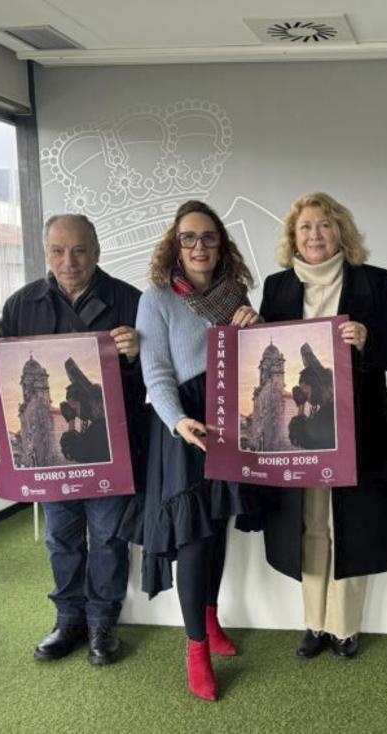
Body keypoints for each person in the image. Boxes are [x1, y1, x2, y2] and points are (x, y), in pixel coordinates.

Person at [0, 214, 148, 666]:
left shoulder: (131, 301)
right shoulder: (22, 304)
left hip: (112, 449)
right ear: (46, 254)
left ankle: (103, 624)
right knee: (61, 538)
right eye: (58, 251)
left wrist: (138, 353)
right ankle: (68, 620)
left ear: (96, 251)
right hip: (51, 455)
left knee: (108, 538)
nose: (68, 261)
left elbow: (155, 374)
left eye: (78, 250)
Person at [258, 192, 387, 661]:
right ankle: (314, 622)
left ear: (340, 231)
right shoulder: (276, 287)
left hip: (360, 429)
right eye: (305, 228)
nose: (314, 235)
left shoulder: (374, 282)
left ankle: (344, 626)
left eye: (324, 225)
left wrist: (369, 340)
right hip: (301, 429)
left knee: (352, 522)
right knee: (308, 522)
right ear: (293, 237)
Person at [132, 200, 259, 701]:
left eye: (208, 237)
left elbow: (252, 358)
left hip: (230, 418)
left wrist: (256, 323)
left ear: (221, 243)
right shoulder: (157, 299)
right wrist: (177, 420)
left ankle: (211, 617)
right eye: (189, 238)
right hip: (184, 423)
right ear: (175, 245)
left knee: (220, 522)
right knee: (194, 536)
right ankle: (195, 648)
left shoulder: (237, 294)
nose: (199, 246)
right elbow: (156, 371)